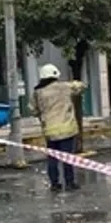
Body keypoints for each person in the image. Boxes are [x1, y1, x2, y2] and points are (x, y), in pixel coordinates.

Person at [30, 64, 86, 193]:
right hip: (67, 129)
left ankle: (54, 183)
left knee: (52, 158)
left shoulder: (38, 92)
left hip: (50, 130)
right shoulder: (64, 87)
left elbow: (33, 110)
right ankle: (69, 182)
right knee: (67, 157)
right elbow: (81, 87)